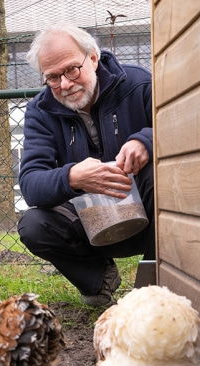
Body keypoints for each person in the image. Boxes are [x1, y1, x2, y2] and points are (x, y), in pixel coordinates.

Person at [17, 24, 154, 307]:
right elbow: (30, 183)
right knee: (33, 224)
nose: (65, 84)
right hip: (91, 221)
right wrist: (73, 176)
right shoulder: (40, 111)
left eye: (71, 70)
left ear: (92, 58)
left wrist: (145, 141)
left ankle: (155, 283)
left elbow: (179, 127)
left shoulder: (138, 83)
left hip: (149, 214)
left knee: (159, 172)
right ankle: (99, 279)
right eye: (52, 77)